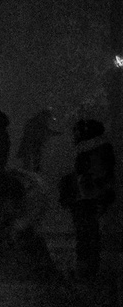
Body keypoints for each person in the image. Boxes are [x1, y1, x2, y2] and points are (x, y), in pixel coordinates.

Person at [59, 119, 115, 279]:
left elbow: (92, 175)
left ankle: (84, 270)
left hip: (86, 197)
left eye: (76, 131)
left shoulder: (90, 151)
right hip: (88, 196)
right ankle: (87, 269)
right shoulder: (97, 149)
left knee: (86, 234)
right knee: (88, 233)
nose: (74, 135)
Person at [17, 107, 55, 173]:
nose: (48, 120)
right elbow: (43, 131)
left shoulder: (38, 122)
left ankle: (32, 174)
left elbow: (46, 131)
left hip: (33, 144)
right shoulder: (36, 122)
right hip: (30, 144)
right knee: (28, 164)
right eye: (47, 117)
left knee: (34, 163)